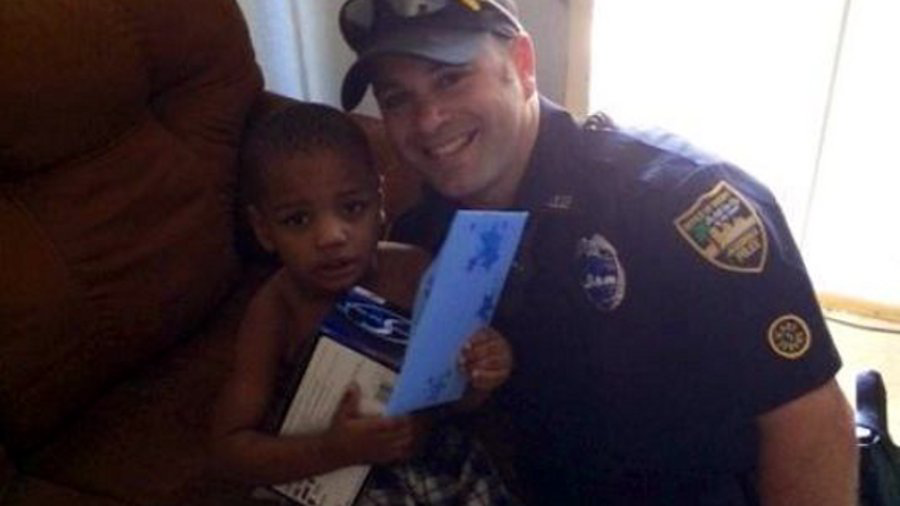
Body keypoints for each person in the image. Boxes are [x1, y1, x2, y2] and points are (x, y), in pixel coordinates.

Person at [336, 0, 859, 504]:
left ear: (521, 65)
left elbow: (807, 418)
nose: (427, 121)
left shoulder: (678, 205)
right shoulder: (423, 235)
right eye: (397, 98)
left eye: (451, 78)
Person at [211, 102, 517, 505]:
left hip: (435, 464)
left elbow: (457, 396)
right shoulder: (275, 310)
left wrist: (486, 364)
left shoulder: (414, 269)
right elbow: (230, 450)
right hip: (329, 475)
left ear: (381, 201)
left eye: (352, 208)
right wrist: (333, 449)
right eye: (298, 220)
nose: (331, 236)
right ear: (264, 230)